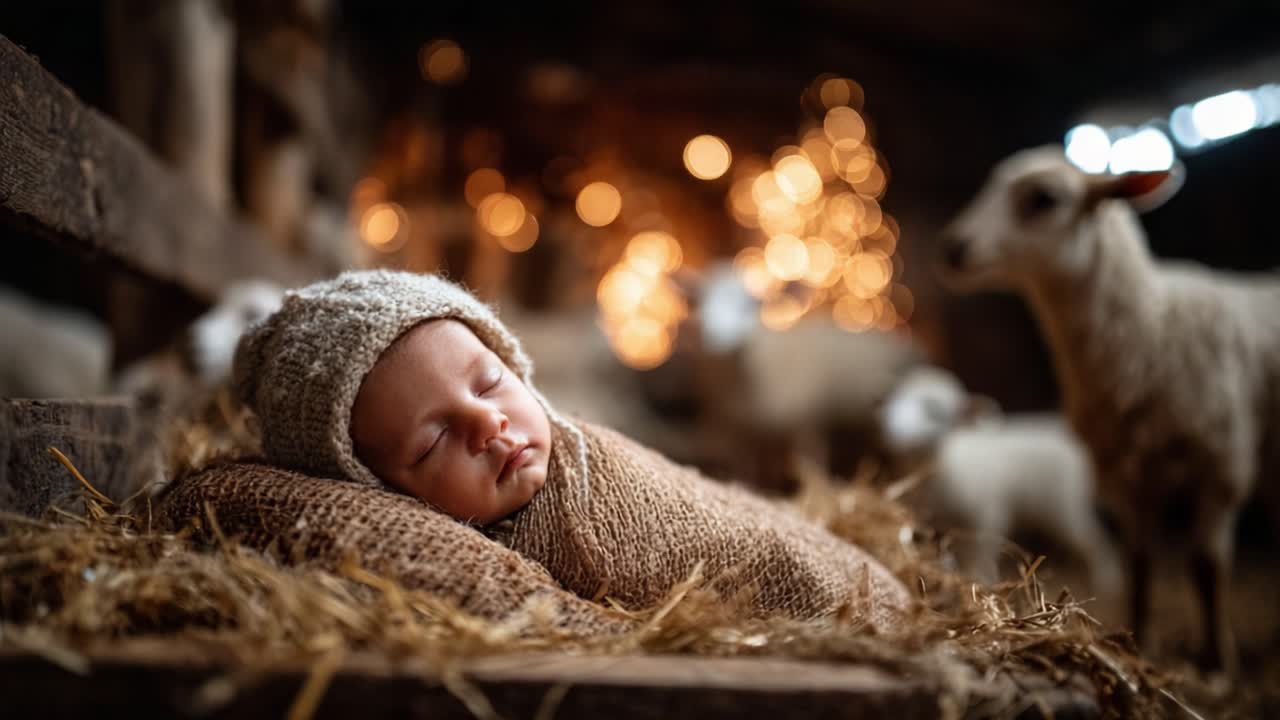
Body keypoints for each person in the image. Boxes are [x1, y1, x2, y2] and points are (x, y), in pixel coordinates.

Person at [233, 270, 912, 628]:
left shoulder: (587, 461)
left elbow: (725, 517)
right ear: (375, 487)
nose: (488, 426)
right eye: (437, 438)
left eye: (490, 382)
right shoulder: (480, 551)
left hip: (859, 599)